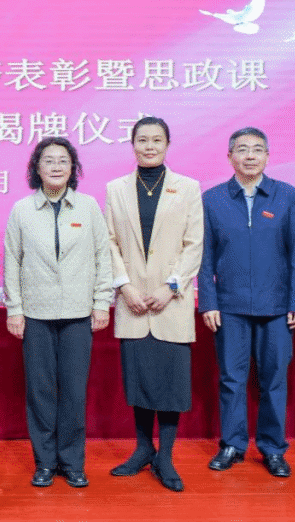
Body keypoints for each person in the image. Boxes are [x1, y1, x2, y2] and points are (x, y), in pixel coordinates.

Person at [198, 127, 295, 478]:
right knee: (231, 378)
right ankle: (232, 444)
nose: (250, 156)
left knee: (274, 379)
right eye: (242, 149)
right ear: (230, 156)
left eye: (257, 149)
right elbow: (204, 257)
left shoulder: (286, 195)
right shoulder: (212, 199)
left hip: (276, 306)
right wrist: (208, 302)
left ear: (267, 156)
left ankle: (273, 448)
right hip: (229, 306)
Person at [4, 137, 112, 489]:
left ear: (72, 168)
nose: (55, 166)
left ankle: (72, 462)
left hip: (78, 313)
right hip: (36, 314)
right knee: (40, 392)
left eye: (62, 160)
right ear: (36, 168)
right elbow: (12, 262)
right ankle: (45, 463)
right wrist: (15, 309)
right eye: (48, 160)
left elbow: (103, 257)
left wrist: (101, 302)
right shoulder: (22, 210)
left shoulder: (88, 207)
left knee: (74, 392)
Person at [103, 116, 202, 492]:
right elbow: (109, 242)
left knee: (172, 384)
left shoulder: (188, 187)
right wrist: (124, 286)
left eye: (156, 140)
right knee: (140, 382)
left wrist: (170, 287)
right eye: (142, 140)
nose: (149, 146)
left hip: (170, 301)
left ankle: (166, 456)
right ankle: (144, 449)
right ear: (132, 144)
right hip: (132, 301)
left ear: (167, 144)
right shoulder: (115, 189)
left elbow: (194, 244)